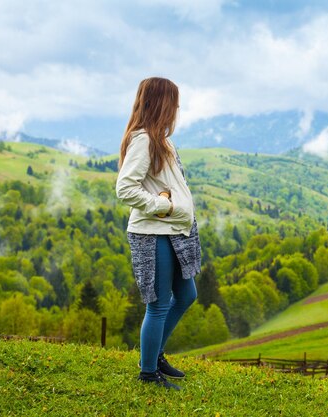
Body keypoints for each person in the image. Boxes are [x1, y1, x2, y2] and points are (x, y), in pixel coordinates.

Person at [116, 77, 201, 390]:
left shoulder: (161, 140)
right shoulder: (143, 140)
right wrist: (161, 207)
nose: (177, 109)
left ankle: (154, 354)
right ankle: (148, 373)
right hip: (153, 232)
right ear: (162, 104)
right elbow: (125, 188)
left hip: (174, 230)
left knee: (187, 295)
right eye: (174, 103)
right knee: (159, 304)